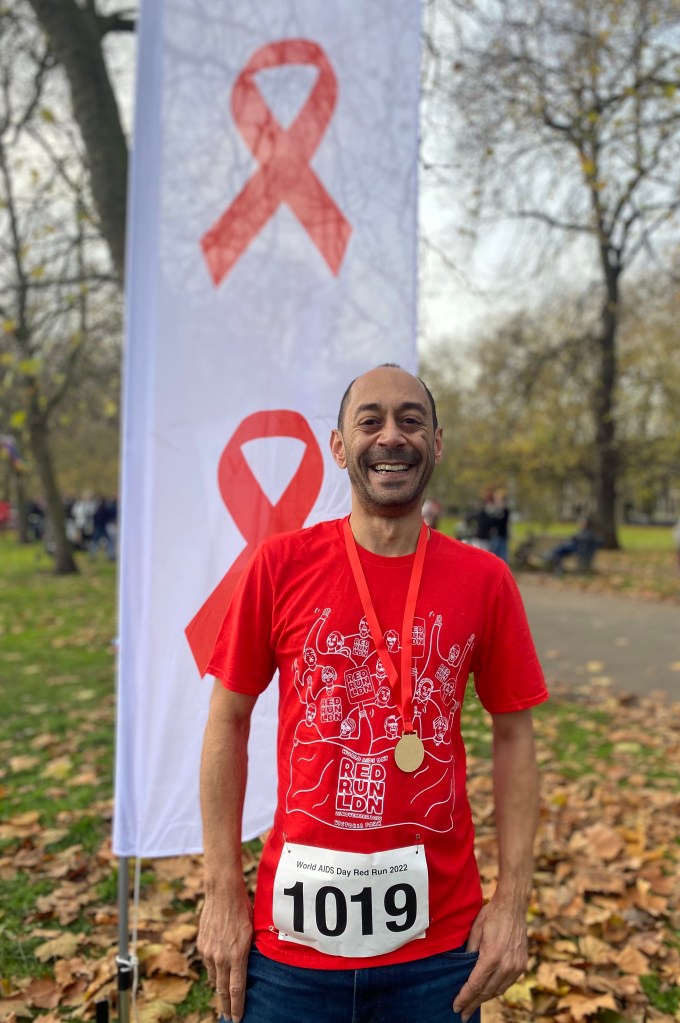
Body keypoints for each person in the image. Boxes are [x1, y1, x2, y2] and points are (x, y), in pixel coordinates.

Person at [197, 364, 548, 1023]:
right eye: (371, 420)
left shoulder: (485, 579)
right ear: (338, 446)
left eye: (411, 420)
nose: (392, 435)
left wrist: (511, 901)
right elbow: (227, 718)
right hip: (288, 950)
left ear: (436, 443)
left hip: (440, 951)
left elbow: (513, 736)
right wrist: (221, 891)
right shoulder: (278, 564)